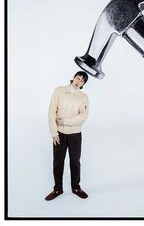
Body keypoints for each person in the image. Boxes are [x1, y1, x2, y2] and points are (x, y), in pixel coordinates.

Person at [45, 71, 89, 201]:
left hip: (75, 134)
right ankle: (57, 189)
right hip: (59, 133)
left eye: (82, 81)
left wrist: (64, 121)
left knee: (75, 162)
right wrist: (53, 132)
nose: (79, 81)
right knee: (58, 162)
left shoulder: (83, 97)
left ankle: (76, 187)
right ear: (73, 78)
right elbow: (51, 112)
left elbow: (83, 117)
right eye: (78, 78)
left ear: (83, 84)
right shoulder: (59, 91)